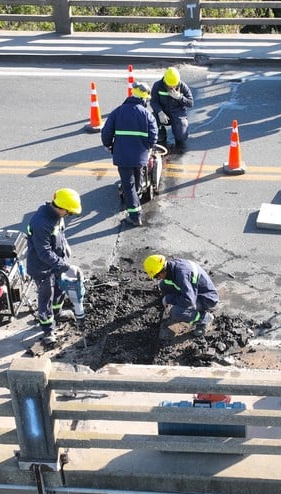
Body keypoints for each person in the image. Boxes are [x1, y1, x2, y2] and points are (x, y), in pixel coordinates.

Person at [25, 188, 83, 346]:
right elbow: (44, 253)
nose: (69, 215)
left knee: (59, 289)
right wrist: (66, 267)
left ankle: (58, 312)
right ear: (61, 208)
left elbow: (60, 234)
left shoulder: (57, 215)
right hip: (41, 267)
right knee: (46, 297)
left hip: (56, 262)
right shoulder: (41, 223)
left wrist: (66, 245)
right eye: (69, 212)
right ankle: (48, 329)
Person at [101, 81, 158, 227]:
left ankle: (135, 215)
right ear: (144, 99)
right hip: (140, 156)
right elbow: (153, 135)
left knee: (128, 185)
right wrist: (148, 147)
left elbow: (106, 132)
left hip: (122, 156)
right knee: (137, 179)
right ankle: (137, 197)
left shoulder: (117, 111)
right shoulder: (147, 115)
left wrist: (108, 145)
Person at [144, 255, 218, 337]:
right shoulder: (172, 266)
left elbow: (189, 300)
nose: (157, 278)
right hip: (193, 291)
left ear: (162, 271)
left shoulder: (182, 276)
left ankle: (204, 318)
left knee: (177, 312)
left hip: (206, 298)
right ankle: (183, 301)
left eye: (156, 276)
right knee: (163, 285)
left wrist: (170, 299)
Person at [149, 67, 194, 154]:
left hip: (178, 114)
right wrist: (160, 112)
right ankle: (162, 134)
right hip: (163, 113)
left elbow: (190, 103)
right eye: (170, 85)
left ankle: (178, 134)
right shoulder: (157, 86)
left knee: (181, 137)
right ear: (165, 81)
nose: (172, 87)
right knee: (152, 118)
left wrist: (179, 97)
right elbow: (153, 101)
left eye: (174, 85)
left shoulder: (182, 86)